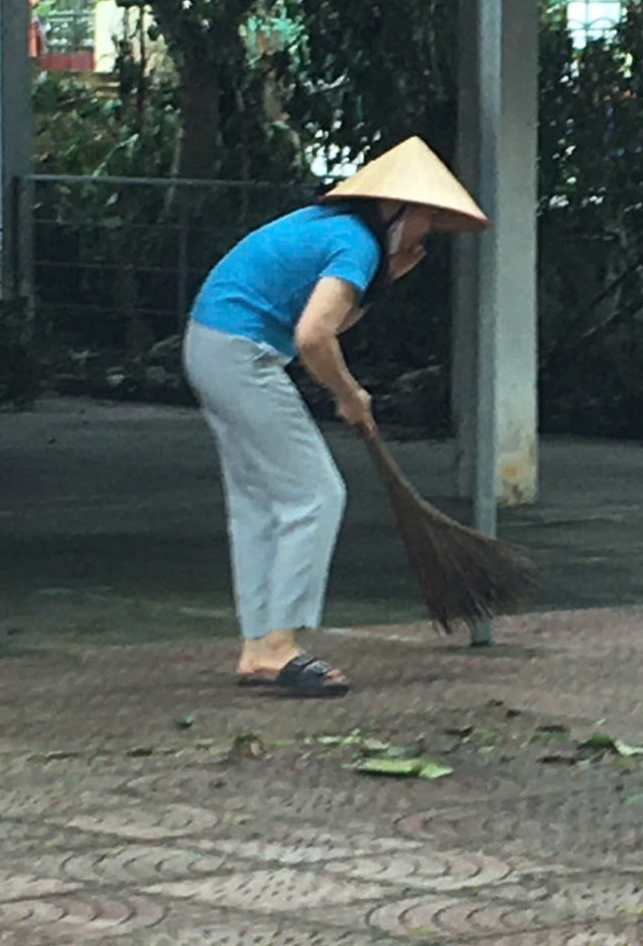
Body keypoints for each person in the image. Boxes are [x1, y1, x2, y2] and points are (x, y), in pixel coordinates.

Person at [184, 137, 489, 697]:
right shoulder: (355, 243)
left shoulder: (340, 231)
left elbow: (325, 322)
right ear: (398, 208)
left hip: (212, 344)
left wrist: (384, 280)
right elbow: (312, 337)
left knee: (260, 502)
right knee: (316, 494)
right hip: (239, 353)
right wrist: (348, 393)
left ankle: (259, 647)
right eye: (427, 219)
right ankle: (279, 645)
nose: (427, 234)